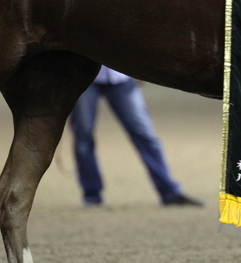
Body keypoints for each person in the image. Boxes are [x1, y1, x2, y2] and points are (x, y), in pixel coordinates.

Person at [70, 66, 202, 207]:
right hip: (83, 76)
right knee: (83, 137)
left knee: (145, 134)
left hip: (121, 76)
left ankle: (169, 191)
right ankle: (91, 194)